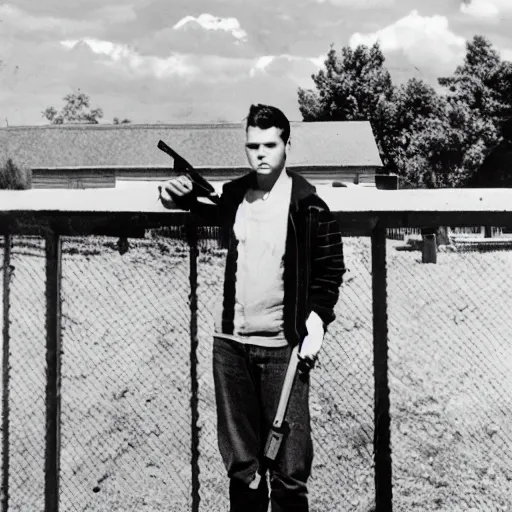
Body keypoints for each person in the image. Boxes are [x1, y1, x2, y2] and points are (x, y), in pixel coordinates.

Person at [159, 104, 345, 512]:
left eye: (270, 144)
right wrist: (172, 196)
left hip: (283, 348)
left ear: (286, 146)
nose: (261, 153)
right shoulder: (234, 195)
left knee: (289, 469)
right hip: (230, 346)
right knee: (243, 467)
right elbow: (198, 209)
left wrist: (317, 321)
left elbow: (330, 270)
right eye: (252, 145)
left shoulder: (308, 205)